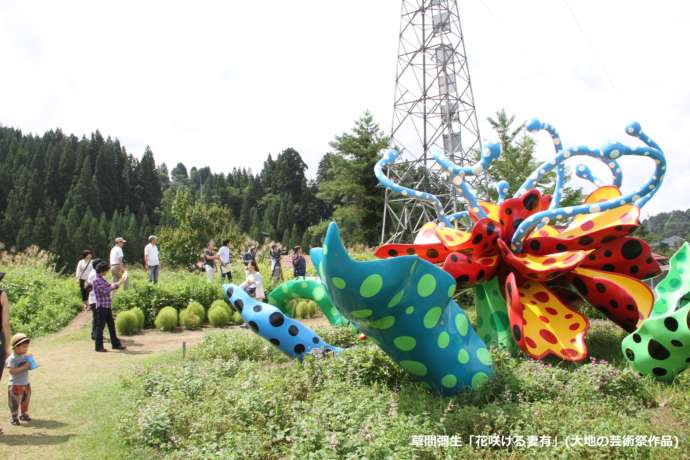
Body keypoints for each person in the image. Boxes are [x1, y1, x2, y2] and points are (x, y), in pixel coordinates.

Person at [92, 260, 127, 352]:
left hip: (107, 306)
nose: (107, 272)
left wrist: (119, 282)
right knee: (100, 327)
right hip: (101, 307)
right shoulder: (96, 281)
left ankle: (115, 344)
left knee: (111, 326)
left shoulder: (101, 279)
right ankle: (98, 347)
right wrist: (120, 281)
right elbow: (106, 290)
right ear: (101, 271)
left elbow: (109, 285)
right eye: (106, 270)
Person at [6, 333, 33, 426]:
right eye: (24, 347)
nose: (26, 349)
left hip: (25, 383)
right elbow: (12, 371)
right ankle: (14, 418)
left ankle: (23, 414)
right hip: (15, 384)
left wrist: (30, 365)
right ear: (16, 347)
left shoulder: (24, 356)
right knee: (15, 402)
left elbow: (27, 367)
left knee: (26, 399)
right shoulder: (12, 358)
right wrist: (24, 366)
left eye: (27, 347)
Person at [85, 258, 102, 341]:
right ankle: (95, 334)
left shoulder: (93, 272)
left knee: (96, 318)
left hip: (93, 298)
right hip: (95, 299)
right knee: (97, 318)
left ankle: (94, 333)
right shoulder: (94, 274)